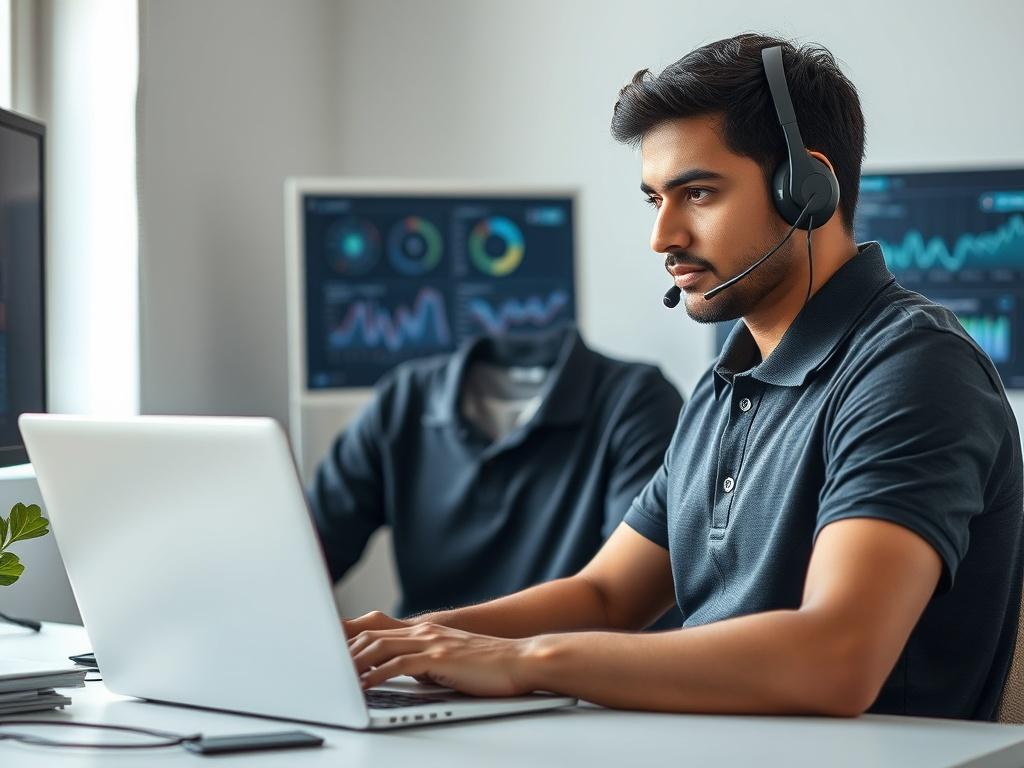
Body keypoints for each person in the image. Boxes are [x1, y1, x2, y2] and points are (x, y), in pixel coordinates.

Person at [341, 33, 1024, 720]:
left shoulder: (913, 368)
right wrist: (408, 640)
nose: (662, 237)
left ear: (806, 189)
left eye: (697, 193)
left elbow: (835, 658)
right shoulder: (724, 386)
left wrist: (525, 662)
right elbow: (607, 596)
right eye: (654, 200)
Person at [309, 321, 684, 627]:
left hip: (571, 681)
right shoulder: (401, 401)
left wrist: (421, 636)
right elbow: (307, 555)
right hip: (419, 673)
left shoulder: (637, 403)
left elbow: (622, 597)